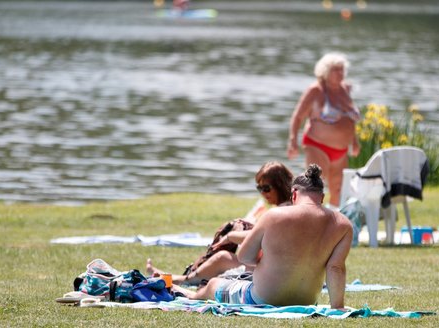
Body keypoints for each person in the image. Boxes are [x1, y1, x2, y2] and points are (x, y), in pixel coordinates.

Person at [172, 164, 353, 308]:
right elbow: (336, 268)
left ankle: (190, 295)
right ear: (321, 197)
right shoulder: (343, 224)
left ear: (294, 194)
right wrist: (337, 308)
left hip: (260, 299)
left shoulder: (274, 216)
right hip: (305, 301)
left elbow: (244, 256)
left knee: (213, 285)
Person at [147, 161, 294, 285]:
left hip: (269, 271)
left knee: (222, 257)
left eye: (266, 188)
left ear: (280, 186)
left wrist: (230, 236)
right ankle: (183, 277)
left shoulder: (281, 212)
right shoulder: (291, 208)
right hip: (276, 268)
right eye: (259, 188)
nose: (262, 193)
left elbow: (257, 236)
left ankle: (182, 280)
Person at [287, 52, 361, 208]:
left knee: (339, 191)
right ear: (325, 71)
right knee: (314, 188)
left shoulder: (344, 90)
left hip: (341, 151)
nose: (340, 73)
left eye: (342, 69)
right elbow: (297, 116)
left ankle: (332, 225)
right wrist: (293, 140)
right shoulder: (316, 90)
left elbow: (349, 119)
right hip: (317, 146)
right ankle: (308, 220)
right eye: (335, 69)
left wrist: (354, 141)